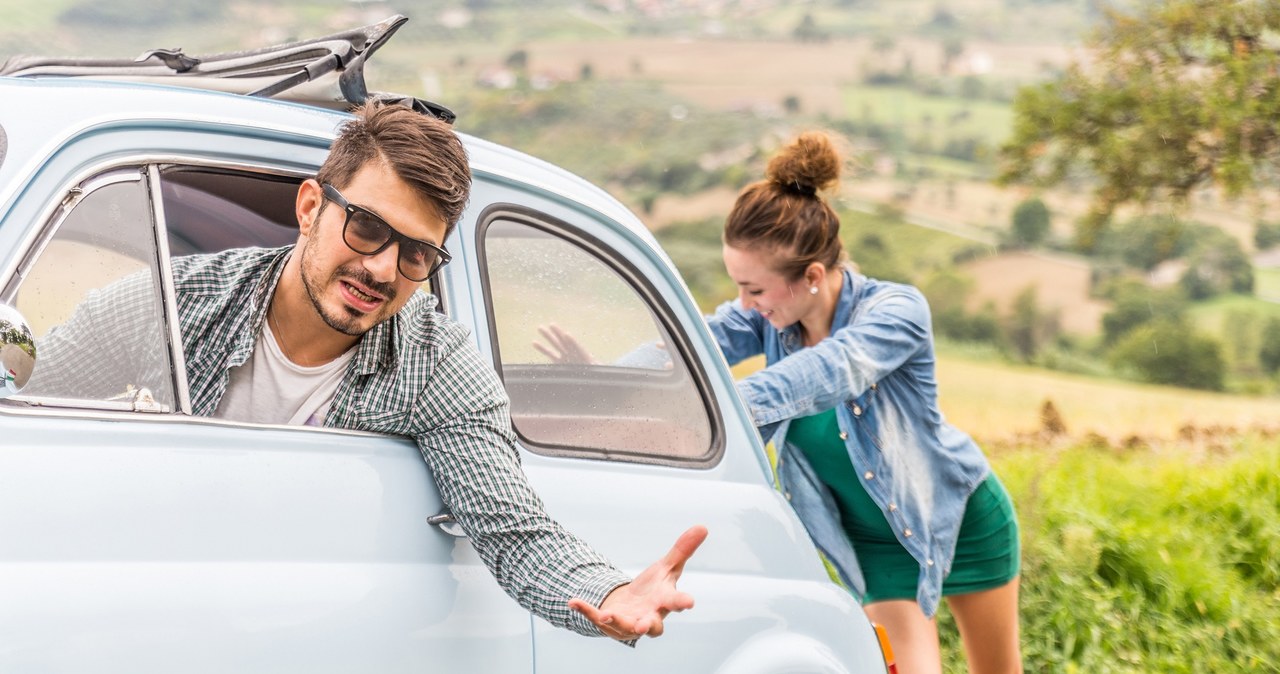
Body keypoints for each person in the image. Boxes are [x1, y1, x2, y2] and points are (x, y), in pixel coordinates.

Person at [27, 100, 705, 643]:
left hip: (322, 634)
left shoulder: (437, 364)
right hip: (167, 619)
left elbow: (514, 531)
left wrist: (610, 592)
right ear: (309, 207)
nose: (382, 267)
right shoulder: (177, 303)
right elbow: (27, 394)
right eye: (368, 228)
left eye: (415, 254)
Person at [708, 132, 1022, 673]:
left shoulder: (896, 312)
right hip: (874, 548)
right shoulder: (766, 319)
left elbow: (832, 369)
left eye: (755, 290)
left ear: (810, 277)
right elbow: (691, 347)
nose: (745, 304)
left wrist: (726, 407)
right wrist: (600, 376)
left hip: (959, 517)